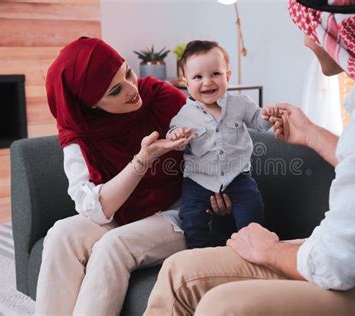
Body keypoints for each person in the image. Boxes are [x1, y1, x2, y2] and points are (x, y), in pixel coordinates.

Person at [144, 0, 355, 315]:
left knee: (221, 306)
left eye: (308, 28)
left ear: (336, 30)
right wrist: (309, 133)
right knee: (177, 272)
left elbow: (337, 264)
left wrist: (270, 249)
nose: (306, 39)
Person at [34, 37, 232, 315]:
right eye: (115, 90)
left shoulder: (162, 98)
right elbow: (94, 210)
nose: (132, 89)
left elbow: (218, 149)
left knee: (111, 247)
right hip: (122, 211)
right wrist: (143, 161)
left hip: (180, 211)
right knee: (60, 235)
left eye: (128, 73)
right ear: (91, 105)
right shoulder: (79, 132)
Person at [166, 40, 276, 248]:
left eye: (215, 74)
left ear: (228, 75)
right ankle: (204, 254)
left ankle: (253, 250)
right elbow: (177, 144)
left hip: (238, 178)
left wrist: (269, 115)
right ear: (186, 83)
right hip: (199, 180)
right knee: (190, 220)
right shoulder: (184, 115)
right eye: (198, 77)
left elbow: (259, 123)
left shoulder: (240, 104)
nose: (207, 82)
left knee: (252, 213)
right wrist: (175, 135)